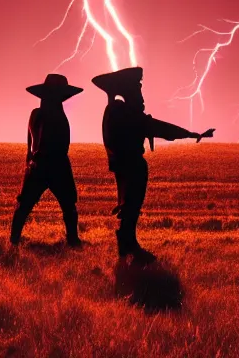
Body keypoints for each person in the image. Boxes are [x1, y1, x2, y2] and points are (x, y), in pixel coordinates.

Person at [92, 67, 215, 259]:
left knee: (129, 204)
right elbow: (157, 127)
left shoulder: (116, 110)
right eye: (137, 89)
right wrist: (192, 134)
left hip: (124, 165)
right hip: (131, 166)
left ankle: (127, 245)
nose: (141, 95)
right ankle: (128, 243)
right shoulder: (123, 112)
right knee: (131, 205)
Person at [10, 74, 83, 247]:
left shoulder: (36, 114)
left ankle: (13, 241)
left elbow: (30, 143)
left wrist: (29, 163)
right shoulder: (56, 115)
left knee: (24, 205)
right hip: (56, 164)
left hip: (37, 165)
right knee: (69, 206)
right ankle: (73, 241)